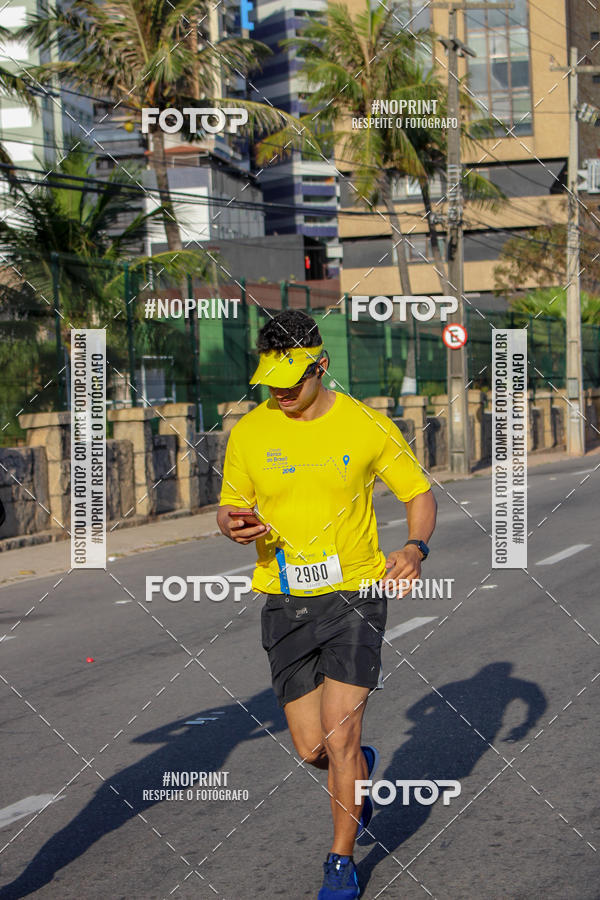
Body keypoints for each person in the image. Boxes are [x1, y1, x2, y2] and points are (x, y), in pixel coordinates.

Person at [217, 310, 437, 899]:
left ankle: (341, 860)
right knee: (313, 748)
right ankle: (358, 768)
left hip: (356, 593)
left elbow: (418, 493)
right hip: (285, 597)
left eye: (292, 380)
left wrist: (414, 548)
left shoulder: (365, 424)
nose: (282, 393)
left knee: (339, 738)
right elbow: (229, 506)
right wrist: (232, 524)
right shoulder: (250, 432)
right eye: (272, 382)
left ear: (322, 365)